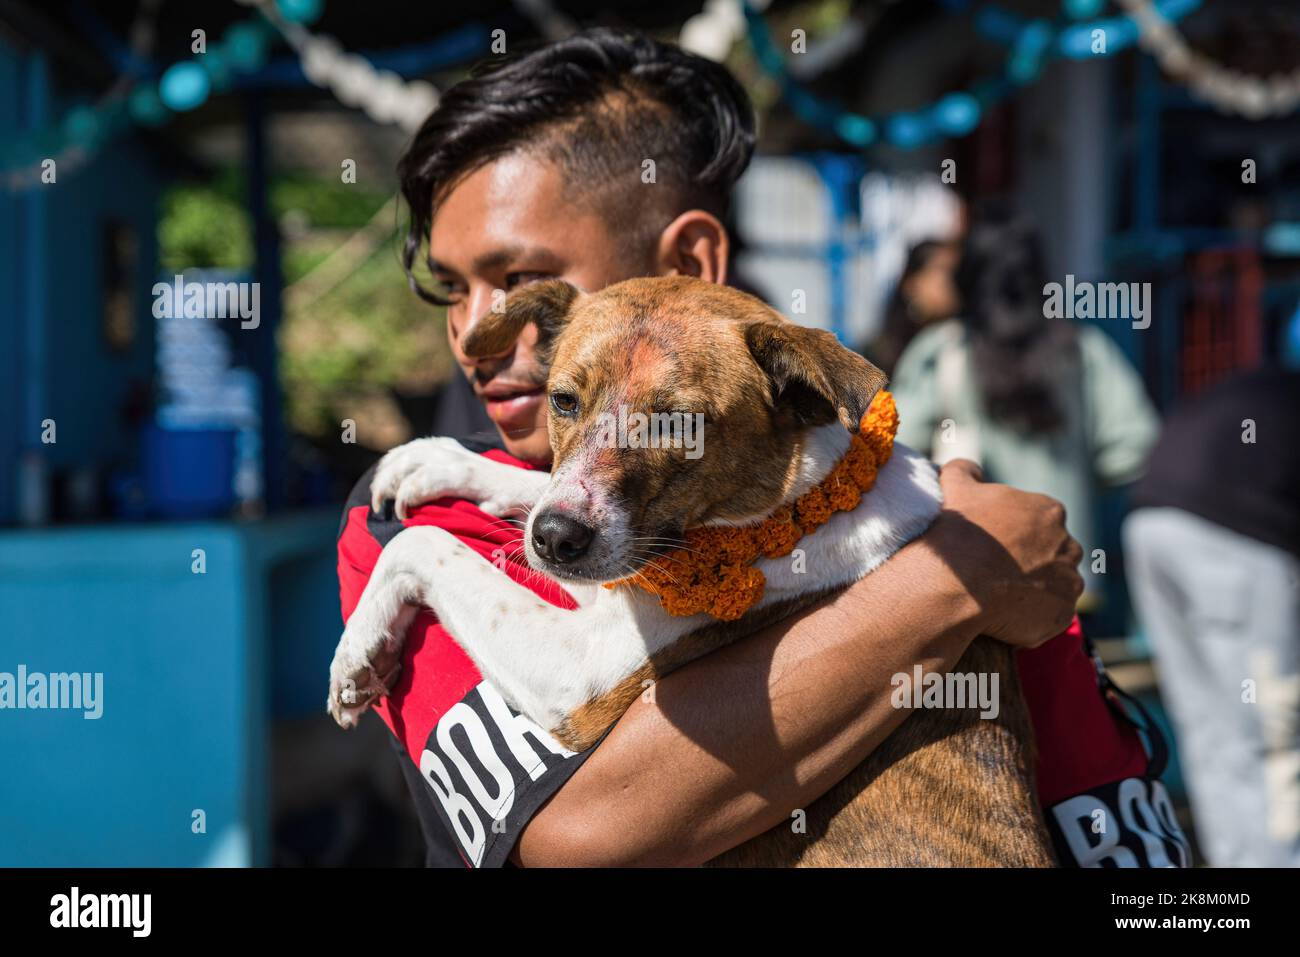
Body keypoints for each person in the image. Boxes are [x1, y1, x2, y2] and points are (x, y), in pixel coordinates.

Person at [336, 28, 1187, 867]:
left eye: (516, 277)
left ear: (692, 261)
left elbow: (1106, 815)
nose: (474, 334)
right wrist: (948, 583)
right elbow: (583, 838)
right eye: (448, 287)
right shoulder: (426, 516)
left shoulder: (941, 518)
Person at [890, 216, 1159, 607]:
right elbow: (1131, 449)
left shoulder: (941, 351)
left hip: (974, 581)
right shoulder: (1085, 350)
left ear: (969, 276)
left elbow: (897, 447)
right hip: (1066, 574)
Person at [1125, 366, 1300, 866]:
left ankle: (1235, 862)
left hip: (1151, 523)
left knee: (1210, 725)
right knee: (1272, 730)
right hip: (1234, 535)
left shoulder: (1269, 388)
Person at [865, 239, 960, 377]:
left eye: (957, 270)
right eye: (943, 270)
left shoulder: (959, 340)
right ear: (912, 285)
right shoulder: (880, 356)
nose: (952, 280)